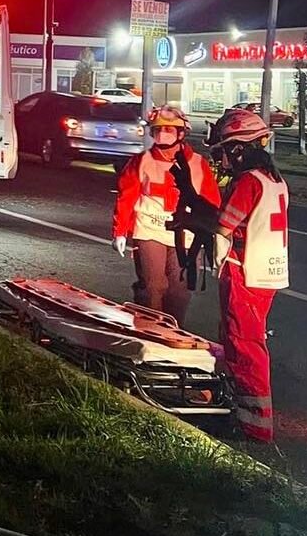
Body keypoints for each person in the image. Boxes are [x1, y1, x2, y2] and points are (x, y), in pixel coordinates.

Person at [170, 109, 290, 443]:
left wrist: (191, 218)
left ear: (240, 148)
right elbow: (227, 218)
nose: (221, 161)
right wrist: (193, 198)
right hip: (265, 273)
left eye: (223, 152)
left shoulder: (248, 181)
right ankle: (240, 413)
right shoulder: (272, 180)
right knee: (242, 342)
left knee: (244, 346)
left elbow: (222, 227)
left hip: (244, 272)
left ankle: (253, 426)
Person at [112, 105, 221, 327]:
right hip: (149, 231)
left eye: (170, 129)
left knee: (179, 293)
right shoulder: (141, 161)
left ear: (181, 133)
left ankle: (172, 332)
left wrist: (215, 236)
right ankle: (148, 333)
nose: (163, 134)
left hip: (187, 236)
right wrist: (120, 231)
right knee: (153, 287)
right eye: (158, 129)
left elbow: (212, 203)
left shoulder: (198, 164)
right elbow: (126, 198)